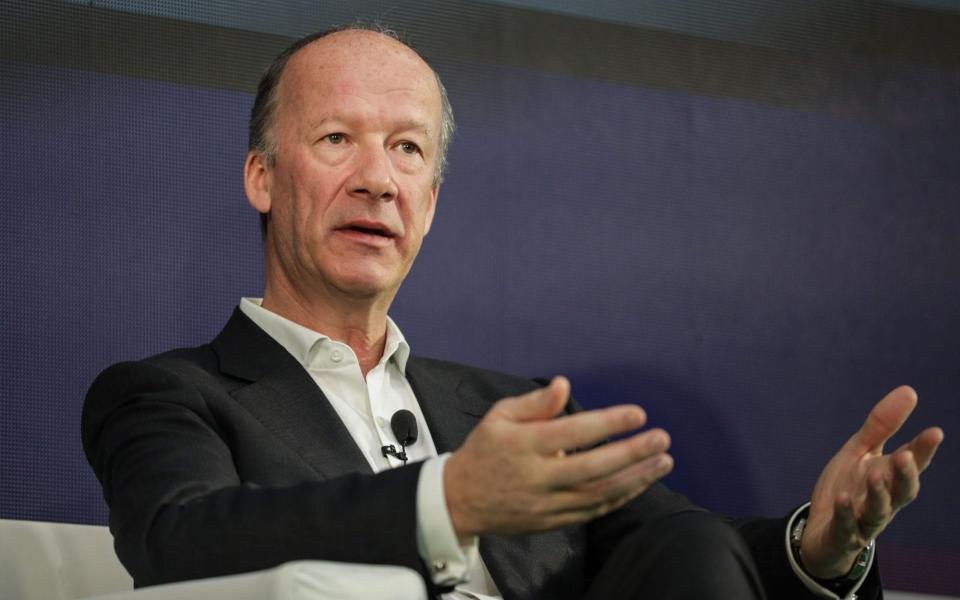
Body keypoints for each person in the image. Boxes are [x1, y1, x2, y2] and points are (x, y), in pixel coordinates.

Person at [82, 25, 944, 600]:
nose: (378, 178)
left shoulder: (511, 411)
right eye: (337, 139)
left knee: (684, 543)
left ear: (430, 199)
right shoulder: (168, 395)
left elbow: (700, 559)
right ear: (262, 177)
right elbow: (178, 545)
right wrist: (446, 500)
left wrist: (818, 544)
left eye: (408, 149)